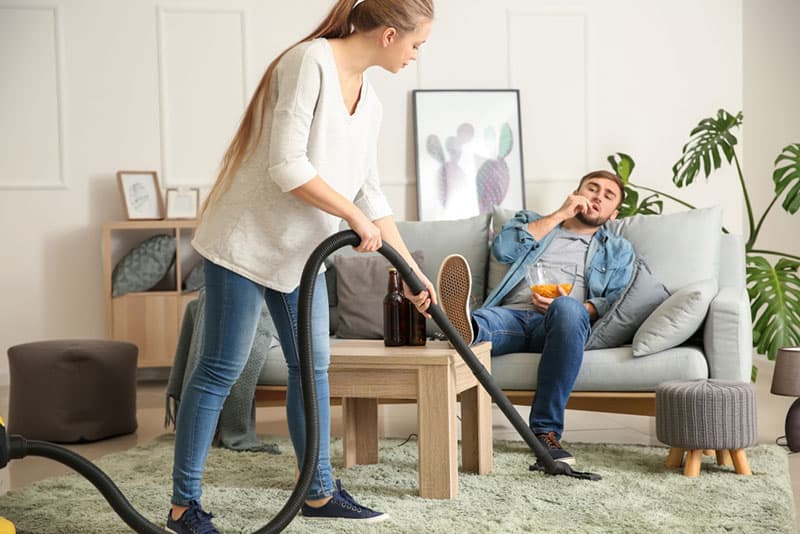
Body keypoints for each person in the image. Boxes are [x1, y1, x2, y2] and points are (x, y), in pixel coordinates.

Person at [167, 1, 436, 532]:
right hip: (245, 242)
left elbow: (371, 191)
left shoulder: (372, 103)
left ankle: (317, 493)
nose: (416, 55)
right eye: (416, 44)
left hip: (299, 257)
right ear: (387, 35)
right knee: (220, 367)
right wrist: (356, 218)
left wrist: (408, 268)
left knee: (310, 371)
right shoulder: (308, 62)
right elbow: (286, 164)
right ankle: (183, 507)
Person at [437, 170, 634, 465]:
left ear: (614, 213)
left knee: (567, 309)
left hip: (562, 325)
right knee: (486, 321)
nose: (597, 197)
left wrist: (574, 306)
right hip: (512, 318)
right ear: (576, 192)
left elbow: (615, 301)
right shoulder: (531, 221)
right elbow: (503, 250)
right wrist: (559, 214)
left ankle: (545, 434)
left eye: (607, 196)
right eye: (592, 189)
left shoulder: (618, 249)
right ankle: (463, 328)